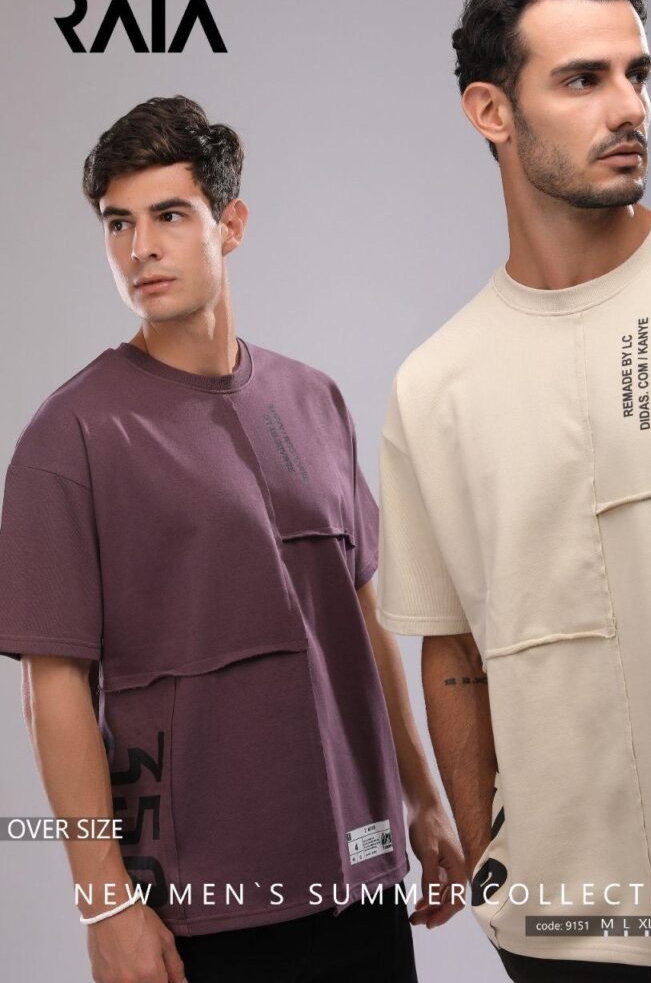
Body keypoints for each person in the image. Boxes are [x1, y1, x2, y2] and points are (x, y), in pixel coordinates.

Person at [0, 95, 465, 983]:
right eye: (119, 224)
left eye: (170, 216)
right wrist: (105, 903)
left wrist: (421, 796)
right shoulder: (71, 437)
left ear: (231, 224)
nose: (141, 249)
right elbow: (52, 689)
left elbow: (360, 617)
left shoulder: (314, 399)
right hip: (203, 905)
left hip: (359, 878)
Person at [375, 0, 651, 981]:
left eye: (638, 73)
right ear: (490, 111)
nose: (629, 107)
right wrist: (492, 868)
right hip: (563, 937)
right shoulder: (434, 385)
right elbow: (451, 644)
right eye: (583, 79)